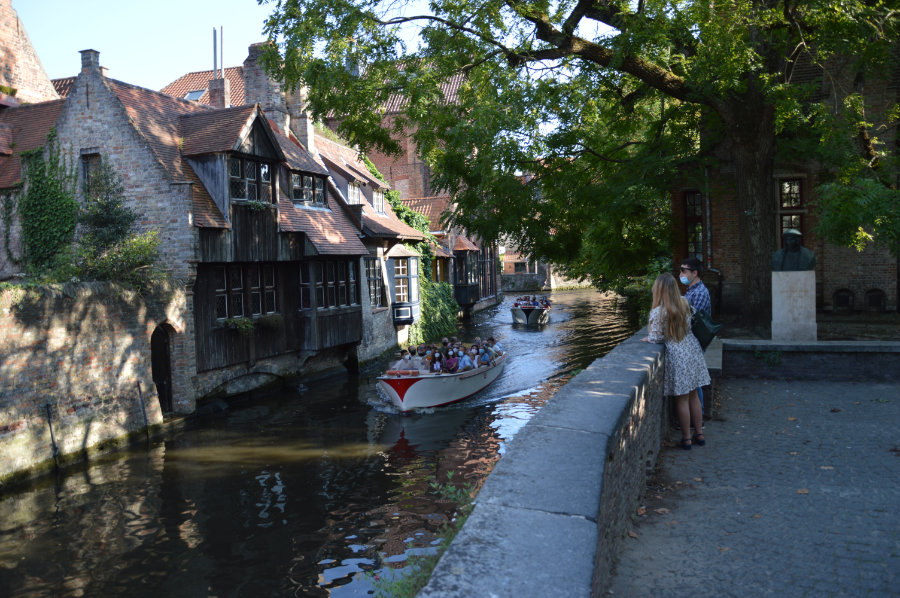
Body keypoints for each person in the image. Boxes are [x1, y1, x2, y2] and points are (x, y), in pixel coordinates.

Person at [641, 273, 711, 450]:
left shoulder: (659, 311)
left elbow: (657, 337)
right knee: (694, 395)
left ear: (659, 290)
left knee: (682, 399)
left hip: (678, 355)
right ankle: (700, 434)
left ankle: (687, 438)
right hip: (692, 350)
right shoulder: (684, 303)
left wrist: (648, 338)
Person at [680, 256, 712, 412]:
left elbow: (691, 319)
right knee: (693, 380)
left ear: (695, 273)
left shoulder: (699, 292)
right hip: (692, 340)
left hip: (696, 340)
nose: (681, 274)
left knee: (694, 380)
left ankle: (699, 415)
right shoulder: (691, 290)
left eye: (684, 271)